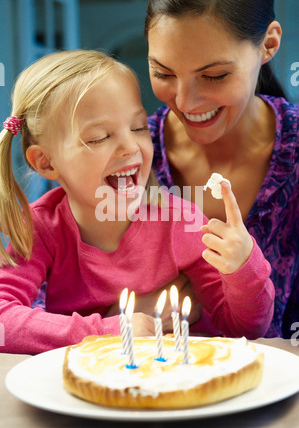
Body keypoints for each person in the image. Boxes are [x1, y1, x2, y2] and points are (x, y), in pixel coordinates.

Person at [0, 50, 274, 354]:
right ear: (46, 162)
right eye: (99, 137)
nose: (130, 147)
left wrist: (244, 265)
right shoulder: (42, 227)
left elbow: (245, 327)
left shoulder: (178, 221)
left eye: (138, 128)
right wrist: (107, 329)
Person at [145, 0, 299, 338]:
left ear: (268, 44)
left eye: (214, 75)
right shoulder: (129, 158)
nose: (184, 102)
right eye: (163, 73)